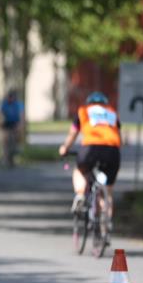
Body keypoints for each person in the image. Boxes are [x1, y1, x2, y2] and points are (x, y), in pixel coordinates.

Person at [57, 92, 122, 223]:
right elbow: (119, 136)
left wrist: (65, 148)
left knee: (80, 170)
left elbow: (73, 133)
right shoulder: (112, 113)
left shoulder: (84, 111)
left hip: (91, 148)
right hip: (112, 150)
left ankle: (80, 195)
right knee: (108, 191)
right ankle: (106, 227)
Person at [0, 89, 25, 168]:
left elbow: (21, 116)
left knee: (15, 141)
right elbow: (0, 115)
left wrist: (20, 126)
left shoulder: (18, 105)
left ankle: (13, 157)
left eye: (12, 98)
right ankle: (5, 158)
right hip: (6, 124)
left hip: (15, 124)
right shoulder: (4, 104)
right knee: (5, 141)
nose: (10, 99)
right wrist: (0, 124)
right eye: (9, 98)